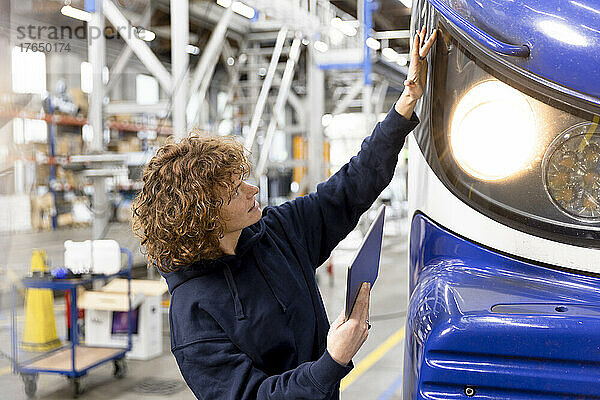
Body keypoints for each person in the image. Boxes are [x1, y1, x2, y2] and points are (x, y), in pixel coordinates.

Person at [132, 26, 437, 400]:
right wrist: (332, 361)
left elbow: (348, 188)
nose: (252, 190)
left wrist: (405, 103)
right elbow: (253, 396)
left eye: (242, 178)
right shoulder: (193, 313)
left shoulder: (275, 231)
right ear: (204, 218)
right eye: (235, 190)